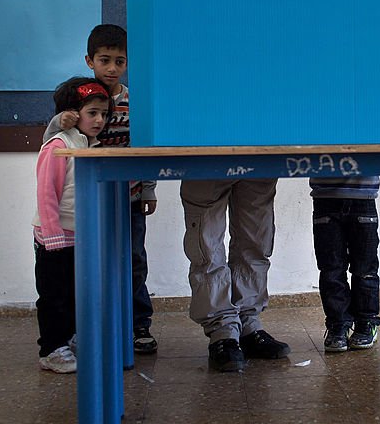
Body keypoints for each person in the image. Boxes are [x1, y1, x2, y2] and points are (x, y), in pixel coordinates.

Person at [46, 24, 159, 355]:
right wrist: (59, 121)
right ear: (89, 60)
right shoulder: (80, 100)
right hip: (92, 201)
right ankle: (94, 324)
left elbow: (145, 148)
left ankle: (139, 324)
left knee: (134, 259)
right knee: (94, 262)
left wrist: (149, 190)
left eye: (120, 61)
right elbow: (53, 141)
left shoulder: (134, 101)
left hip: (132, 196)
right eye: (104, 60)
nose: (112, 68)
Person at [33, 76, 111, 373]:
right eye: (92, 113)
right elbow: (46, 192)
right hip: (54, 237)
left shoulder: (90, 144)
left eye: (103, 114)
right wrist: (51, 235)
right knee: (54, 295)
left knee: (76, 291)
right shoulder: (58, 144)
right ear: (71, 114)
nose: (100, 120)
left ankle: (70, 339)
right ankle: (51, 349)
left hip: (79, 236)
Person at [181, 176, 291, 372]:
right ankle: (222, 330)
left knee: (256, 240)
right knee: (206, 246)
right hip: (205, 153)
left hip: (257, 153)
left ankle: (248, 324)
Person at [311, 175, 380, 352]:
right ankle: (338, 324)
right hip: (326, 197)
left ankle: (365, 322)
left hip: (362, 196)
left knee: (364, 269)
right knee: (332, 269)